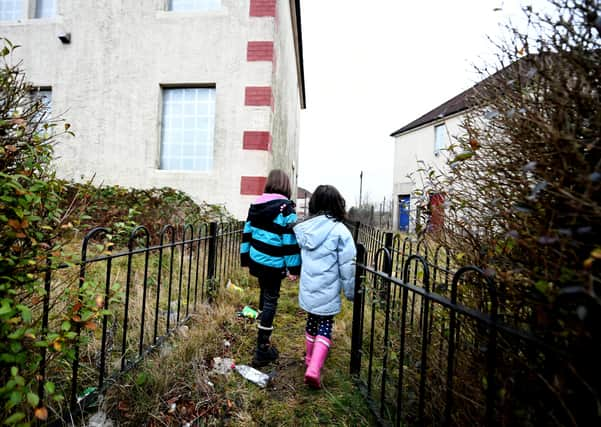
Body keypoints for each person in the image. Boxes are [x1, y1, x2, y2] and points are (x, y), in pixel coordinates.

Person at [293, 185, 356, 388]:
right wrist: (351, 291)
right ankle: (314, 369)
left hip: (309, 288)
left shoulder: (305, 229)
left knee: (311, 321)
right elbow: (348, 267)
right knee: (325, 325)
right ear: (338, 204)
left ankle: (309, 359)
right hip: (328, 290)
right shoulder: (341, 232)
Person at [240, 169, 301, 367]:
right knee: (270, 300)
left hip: (257, 260)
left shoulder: (256, 204)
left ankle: (261, 334)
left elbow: (247, 233)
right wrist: (294, 269)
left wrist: (245, 259)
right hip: (273, 263)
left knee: (265, 293)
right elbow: (289, 241)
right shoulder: (286, 209)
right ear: (286, 186)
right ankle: (262, 348)